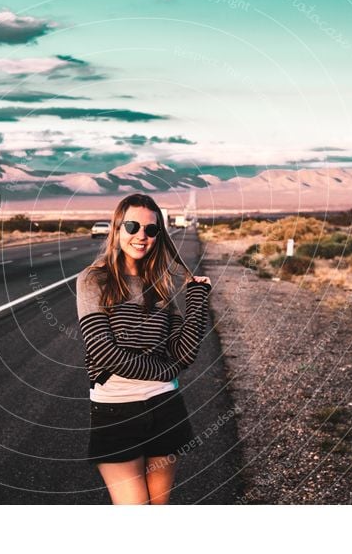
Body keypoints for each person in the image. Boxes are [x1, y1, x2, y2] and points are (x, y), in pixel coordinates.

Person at [76, 193, 211, 505]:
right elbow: (103, 353)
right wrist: (165, 371)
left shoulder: (160, 284)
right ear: (117, 229)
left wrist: (197, 299)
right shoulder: (95, 280)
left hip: (165, 407)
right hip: (116, 411)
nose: (141, 236)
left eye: (151, 230)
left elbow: (185, 353)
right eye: (133, 226)